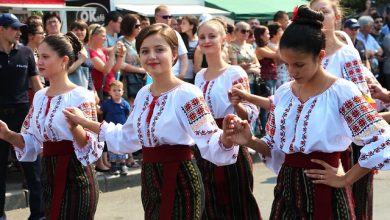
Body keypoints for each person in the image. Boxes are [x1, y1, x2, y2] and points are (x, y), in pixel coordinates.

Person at [63, 23, 243, 220]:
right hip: (150, 178)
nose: (151, 56)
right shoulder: (143, 94)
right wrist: (84, 122)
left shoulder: (187, 93)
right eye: (145, 51)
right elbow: (126, 137)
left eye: (159, 50)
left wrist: (227, 137)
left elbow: (209, 138)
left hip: (180, 177)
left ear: (174, 54)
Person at [229, 5, 390, 219]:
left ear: (320, 56)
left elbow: (382, 139)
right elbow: (276, 147)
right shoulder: (285, 92)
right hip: (286, 190)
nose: (293, 72)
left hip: (325, 188)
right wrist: (249, 140)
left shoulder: (341, 91)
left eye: (299, 64)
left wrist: (346, 178)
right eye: (287, 65)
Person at [0, 32, 103, 219]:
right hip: (49, 174)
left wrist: (75, 126)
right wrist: (7, 135)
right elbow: (32, 140)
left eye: (45, 57)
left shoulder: (81, 95)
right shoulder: (40, 96)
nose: (39, 61)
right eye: (38, 56)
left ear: (64, 60)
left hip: (77, 174)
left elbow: (90, 146)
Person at [195, 18, 261, 219]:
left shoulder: (235, 72)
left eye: (212, 36)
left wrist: (237, 104)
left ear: (224, 38)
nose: (206, 41)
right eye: (202, 37)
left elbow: (250, 113)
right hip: (204, 143)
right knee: (208, 202)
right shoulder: (199, 76)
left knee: (236, 200)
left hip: (232, 136)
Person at [0, 13, 44, 220]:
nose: (19, 32)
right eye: (14, 28)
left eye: (20, 28)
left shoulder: (26, 52)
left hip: (23, 115)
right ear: (1, 29)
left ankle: (39, 214)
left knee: (32, 166)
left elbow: (37, 85)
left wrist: (42, 111)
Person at [100, 81, 132, 175]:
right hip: (110, 130)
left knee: (122, 146)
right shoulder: (107, 103)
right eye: (114, 90)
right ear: (110, 92)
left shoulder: (125, 104)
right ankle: (114, 165)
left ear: (122, 92)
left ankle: (123, 164)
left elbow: (129, 114)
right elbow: (101, 112)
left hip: (121, 130)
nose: (117, 92)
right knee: (112, 146)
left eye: (119, 90)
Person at [154, 5, 188, 79]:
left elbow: (183, 56)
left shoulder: (175, 34)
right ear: (156, 17)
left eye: (170, 16)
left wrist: (182, 74)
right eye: (165, 17)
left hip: (174, 76)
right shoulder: (149, 34)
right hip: (154, 76)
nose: (168, 19)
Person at [180, 15, 199, 83]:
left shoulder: (199, 41)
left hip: (194, 77)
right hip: (180, 76)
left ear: (191, 26)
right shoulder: (179, 39)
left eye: (184, 23)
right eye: (181, 23)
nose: (181, 25)